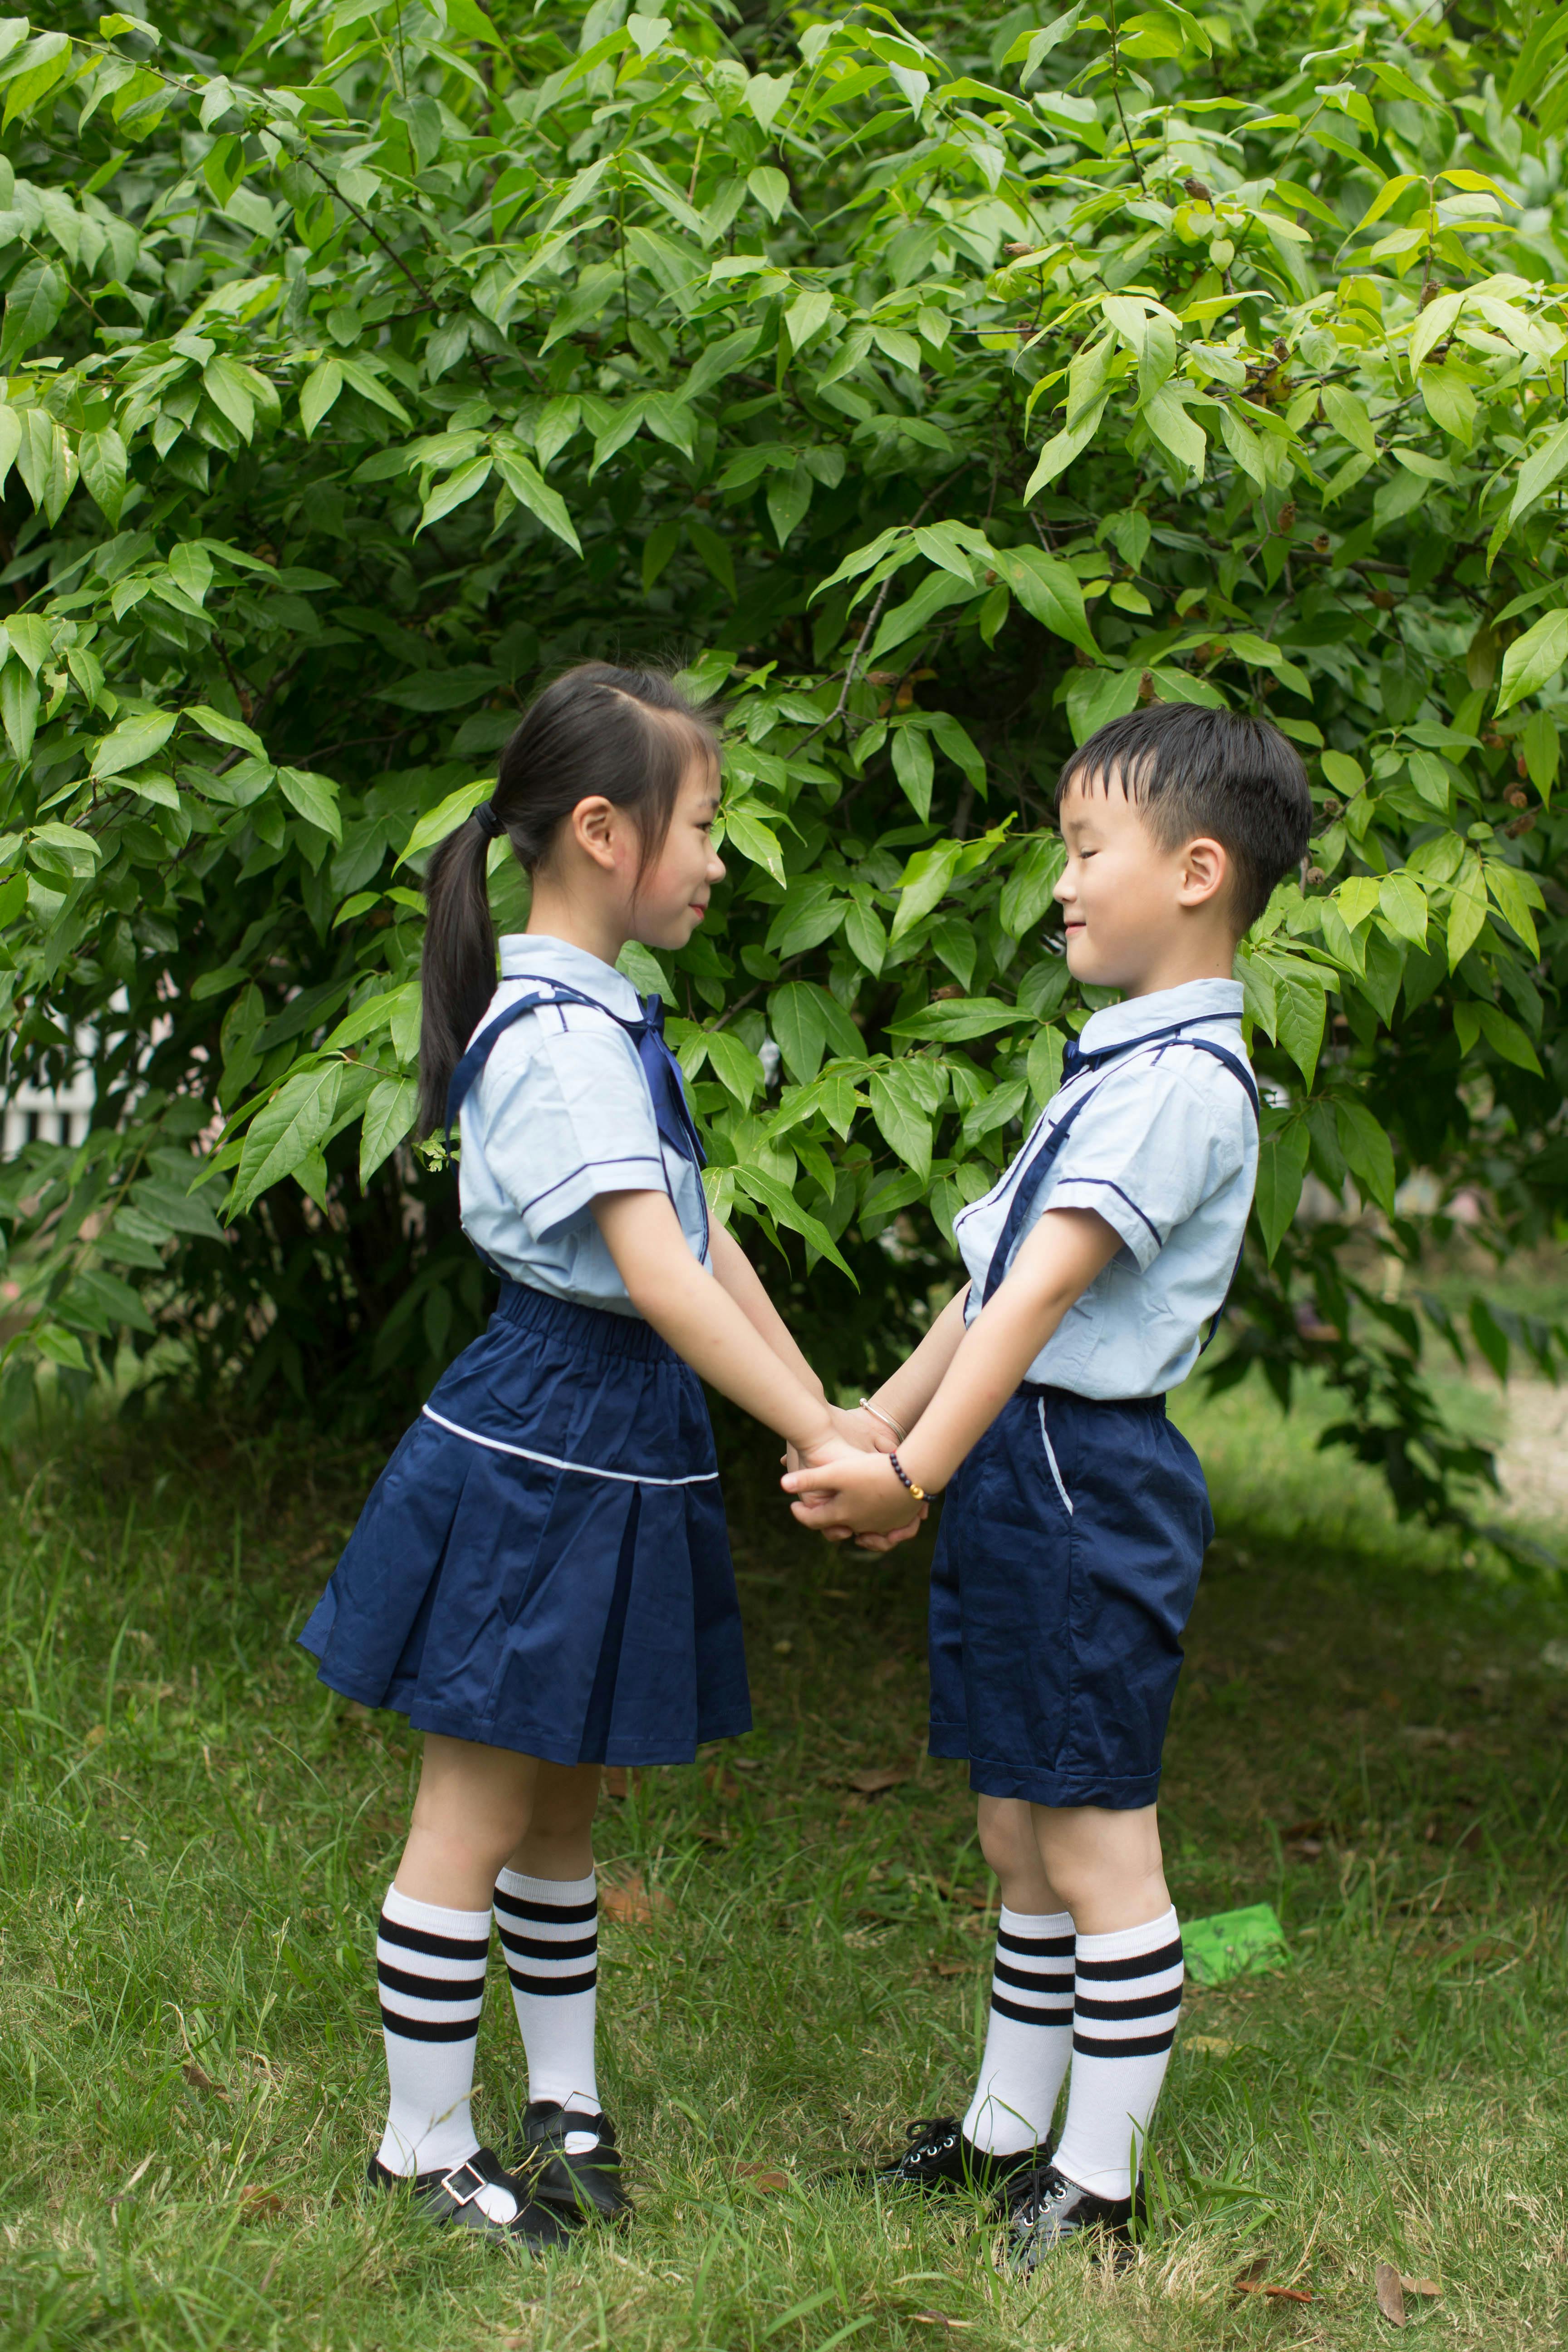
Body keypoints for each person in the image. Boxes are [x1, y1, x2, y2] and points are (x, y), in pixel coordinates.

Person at [300, 663, 885, 2246]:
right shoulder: (555, 1035)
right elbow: (655, 1273)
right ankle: (419, 2150)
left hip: (617, 1435)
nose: (714, 860)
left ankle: (563, 2110)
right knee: (476, 1812)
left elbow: (706, 1240)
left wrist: (836, 1412)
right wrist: (810, 1432)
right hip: (549, 1439)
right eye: (702, 827)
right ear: (603, 830)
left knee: (564, 1811)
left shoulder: (609, 1015)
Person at [785, 702, 1312, 2273]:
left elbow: (1038, 1303)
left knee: (1094, 1844)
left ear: (1200, 872)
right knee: (1019, 1830)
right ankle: (1010, 2133)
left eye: (1089, 853)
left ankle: (1098, 2186)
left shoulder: (1182, 1085)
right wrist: (881, 1416)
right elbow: (995, 1275)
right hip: (1024, 1465)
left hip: (1084, 1478)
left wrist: (912, 1478)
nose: (1063, 886)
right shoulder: (1116, 1062)